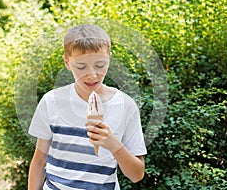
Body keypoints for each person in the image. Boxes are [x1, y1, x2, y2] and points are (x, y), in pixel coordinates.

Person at [28, 24, 147, 190]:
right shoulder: (51, 101)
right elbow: (39, 161)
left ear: (109, 59)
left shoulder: (126, 106)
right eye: (81, 67)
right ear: (67, 63)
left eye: (99, 65)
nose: (91, 75)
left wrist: (113, 144)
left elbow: (137, 175)